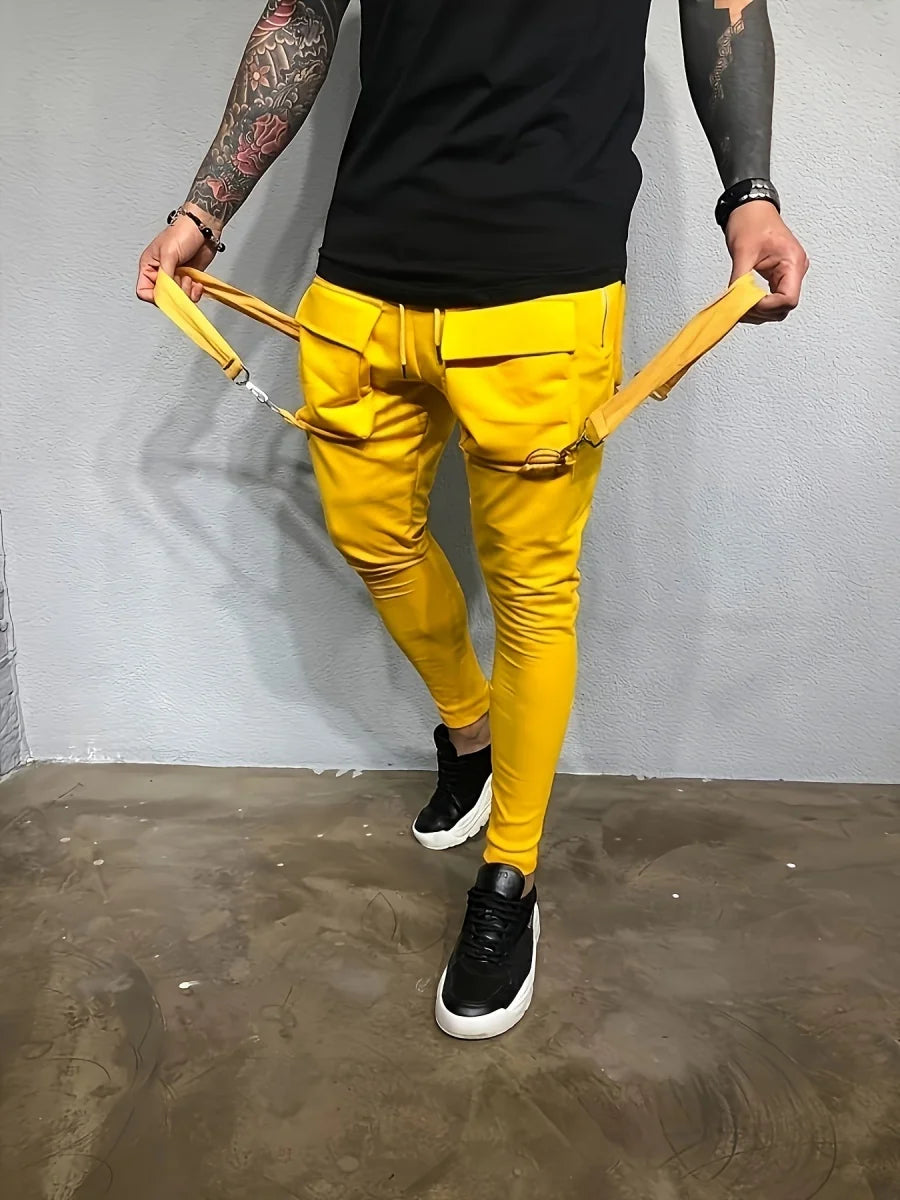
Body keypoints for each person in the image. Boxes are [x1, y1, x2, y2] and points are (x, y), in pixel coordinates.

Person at [137, 0, 809, 1040]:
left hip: (547, 285)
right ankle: (471, 731)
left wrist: (750, 194)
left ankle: (511, 881)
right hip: (364, 271)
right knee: (373, 539)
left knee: (535, 594)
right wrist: (202, 209)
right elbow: (301, 14)